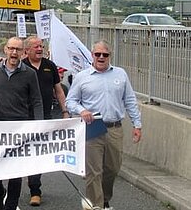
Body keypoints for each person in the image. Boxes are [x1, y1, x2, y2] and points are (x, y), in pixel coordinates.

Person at [66, 40, 142, 210]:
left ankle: (105, 200)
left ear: (110, 56)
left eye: (105, 55)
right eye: (97, 54)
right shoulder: (82, 77)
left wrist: (137, 124)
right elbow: (70, 101)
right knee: (94, 171)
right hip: (92, 128)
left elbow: (129, 100)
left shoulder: (120, 74)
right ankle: (96, 206)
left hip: (114, 128)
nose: (101, 57)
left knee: (112, 169)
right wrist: (82, 110)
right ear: (92, 55)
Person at [0, 37, 43, 210]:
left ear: (23, 52)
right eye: (11, 48)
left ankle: (11, 205)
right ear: (5, 50)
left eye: (18, 50)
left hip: (19, 127)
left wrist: (39, 124)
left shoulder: (30, 73)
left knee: (16, 170)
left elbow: (36, 101)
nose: (14, 53)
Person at [22, 35, 69, 206]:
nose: (40, 49)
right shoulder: (22, 66)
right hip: (23, 117)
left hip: (44, 117)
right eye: (35, 46)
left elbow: (59, 91)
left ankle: (35, 189)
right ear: (27, 50)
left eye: (41, 46)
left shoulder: (50, 66)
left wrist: (65, 111)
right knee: (22, 154)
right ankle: (21, 182)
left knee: (37, 153)